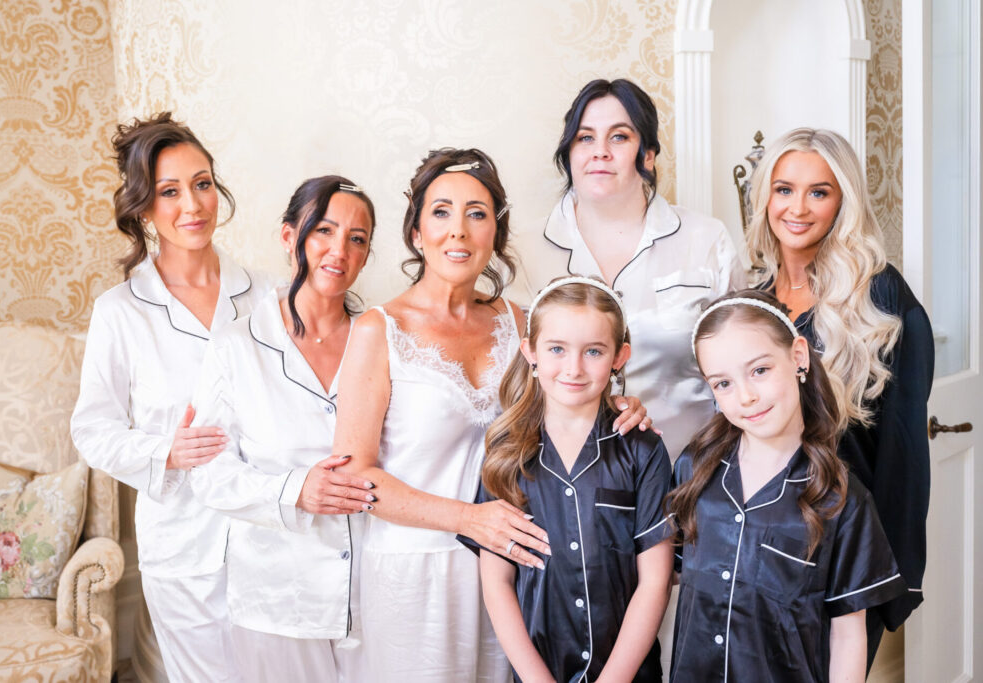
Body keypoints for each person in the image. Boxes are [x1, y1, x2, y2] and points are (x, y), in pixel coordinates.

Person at [333, 148, 649, 682]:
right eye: (441, 212)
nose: (458, 230)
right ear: (416, 232)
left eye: (476, 213)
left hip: (520, 571)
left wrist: (620, 406)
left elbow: (566, 407)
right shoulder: (377, 330)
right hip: (417, 572)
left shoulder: (524, 325)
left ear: (495, 235)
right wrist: (469, 520)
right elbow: (353, 476)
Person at [70, 112, 274, 681]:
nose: (193, 205)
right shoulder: (122, 311)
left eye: (202, 183)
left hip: (269, 537)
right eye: (170, 191)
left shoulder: (265, 295)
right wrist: (167, 451)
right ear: (143, 207)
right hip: (184, 546)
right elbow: (91, 428)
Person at [746, 128, 934, 660]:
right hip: (758, 542)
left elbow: (903, 454)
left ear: (843, 202)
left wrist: (895, 576)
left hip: (845, 547)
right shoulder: (752, 301)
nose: (797, 208)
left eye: (818, 192)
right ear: (764, 199)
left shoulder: (881, 298)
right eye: (783, 189)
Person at [183, 177, 379, 681]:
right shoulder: (236, 345)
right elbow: (208, 473)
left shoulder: (381, 338)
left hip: (375, 595)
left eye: (357, 239)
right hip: (278, 601)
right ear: (290, 237)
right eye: (324, 231)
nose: (340, 250)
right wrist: (296, 490)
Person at [667, 291, 907, 682]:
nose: (746, 397)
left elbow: (849, 637)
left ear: (797, 356)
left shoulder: (842, 499)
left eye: (759, 370)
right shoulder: (693, 471)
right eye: (723, 383)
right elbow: (663, 578)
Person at [519, 78, 746, 461]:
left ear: (648, 154)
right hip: (567, 483)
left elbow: (743, 367)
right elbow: (515, 385)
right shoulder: (523, 252)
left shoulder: (706, 239)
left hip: (691, 476)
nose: (600, 153)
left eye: (619, 137)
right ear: (569, 152)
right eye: (585, 138)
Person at [467, 276, 673, 682]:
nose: (574, 368)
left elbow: (656, 580)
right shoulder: (506, 453)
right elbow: (497, 583)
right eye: (557, 349)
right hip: (538, 669)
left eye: (593, 351)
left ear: (619, 356)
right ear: (531, 352)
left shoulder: (642, 449)